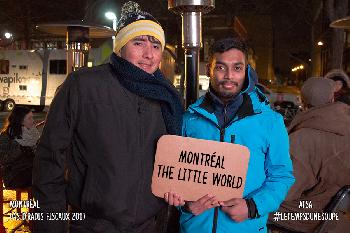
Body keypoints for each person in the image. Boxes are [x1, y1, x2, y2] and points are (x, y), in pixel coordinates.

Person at [32, 1, 183, 233]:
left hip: (147, 226)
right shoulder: (84, 85)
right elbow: (49, 159)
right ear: (120, 46)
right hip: (92, 225)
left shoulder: (167, 97)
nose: (148, 54)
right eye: (138, 42)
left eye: (155, 45)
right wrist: (51, 226)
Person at [165, 37, 295, 232]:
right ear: (209, 69)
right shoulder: (189, 119)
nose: (229, 76)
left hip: (245, 227)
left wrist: (252, 207)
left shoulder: (270, 122)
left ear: (247, 71)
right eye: (220, 67)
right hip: (196, 228)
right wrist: (185, 205)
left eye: (237, 68)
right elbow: (174, 176)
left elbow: (281, 176)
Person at [269, 77, 350, 233]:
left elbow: (285, 192)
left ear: (304, 103)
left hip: (311, 215)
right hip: (339, 211)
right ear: (332, 98)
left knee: (256, 205)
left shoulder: (302, 139)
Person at [0, 106, 39, 188]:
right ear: (20, 120)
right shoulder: (6, 135)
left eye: (32, 117)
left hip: (31, 171)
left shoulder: (33, 134)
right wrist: (21, 149)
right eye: (29, 118)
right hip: (13, 175)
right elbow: (3, 159)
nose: (33, 120)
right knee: (41, 175)